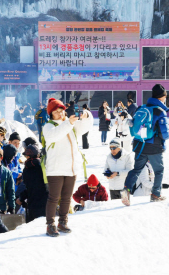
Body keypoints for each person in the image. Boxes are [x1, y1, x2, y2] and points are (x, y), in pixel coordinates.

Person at [42, 97, 94, 237]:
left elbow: (85, 127)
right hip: (55, 168)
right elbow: (54, 136)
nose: (60, 114)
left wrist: (86, 115)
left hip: (71, 168)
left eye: (61, 111)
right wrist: (68, 123)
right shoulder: (49, 126)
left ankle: (63, 222)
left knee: (66, 197)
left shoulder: (70, 124)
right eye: (56, 112)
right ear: (51, 114)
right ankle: (50, 224)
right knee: (54, 198)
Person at [122, 84, 169, 205]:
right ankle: (155, 194)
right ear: (162, 97)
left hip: (139, 144)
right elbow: (165, 134)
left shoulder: (141, 108)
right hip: (154, 147)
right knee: (159, 170)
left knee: (137, 169)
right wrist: (167, 135)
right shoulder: (160, 111)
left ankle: (126, 190)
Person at [18, 145, 48, 223]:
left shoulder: (27, 169)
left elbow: (29, 187)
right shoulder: (43, 166)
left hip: (33, 203)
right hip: (47, 202)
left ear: (28, 156)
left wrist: (21, 198)